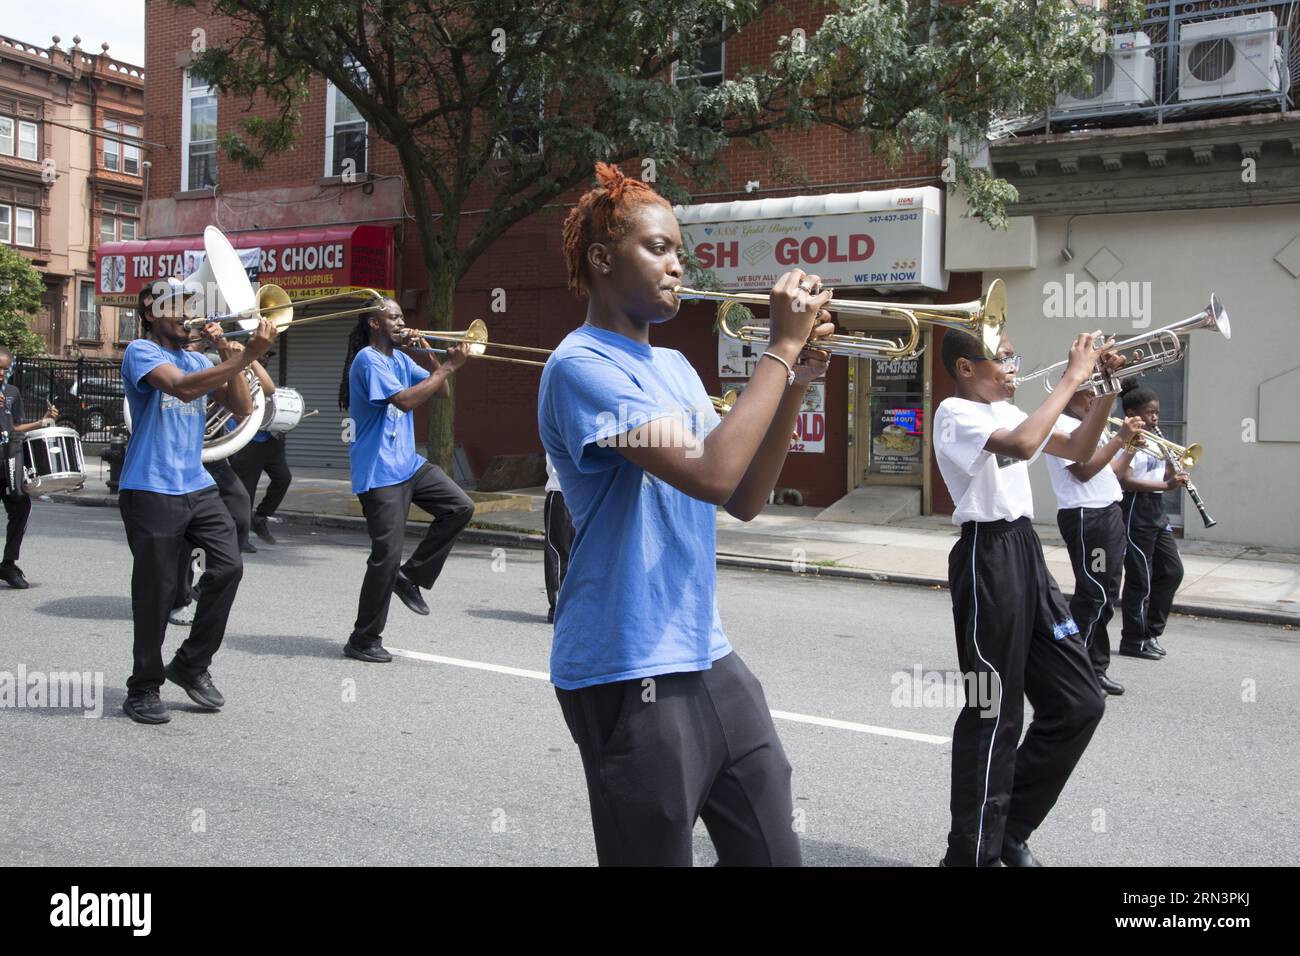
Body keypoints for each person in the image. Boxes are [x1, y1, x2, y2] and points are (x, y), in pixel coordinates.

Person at [538, 162, 832, 866]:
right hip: (623, 665)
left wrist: (797, 380)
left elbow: (745, 497)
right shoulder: (579, 368)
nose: (677, 265)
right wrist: (781, 348)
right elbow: (710, 470)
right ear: (603, 259)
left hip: (709, 654)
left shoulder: (674, 368)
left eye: (679, 251)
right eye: (658, 248)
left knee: (772, 851)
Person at [932, 328, 1116, 867]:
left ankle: (1009, 830)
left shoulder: (1010, 412)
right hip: (985, 556)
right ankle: (971, 855)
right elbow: (1023, 446)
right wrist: (1072, 377)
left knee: (1080, 701)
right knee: (994, 711)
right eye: (1004, 358)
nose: (1014, 368)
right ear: (967, 368)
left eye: (1015, 357)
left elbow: (1080, 452)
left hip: (1024, 550)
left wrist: (1104, 387)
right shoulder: (954, 412)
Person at [118, 279, 278, 724]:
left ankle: (191, 663)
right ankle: (143, 687)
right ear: (150, 313)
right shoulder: (142, 352)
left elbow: (244, 408)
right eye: (175, 305)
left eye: (189, 302)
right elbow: (184, 389)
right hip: (150, 488)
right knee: (158, 592)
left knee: (229, 567)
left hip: (196, 483)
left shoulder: (197, 357)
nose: (186, 311)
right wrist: (246, 356)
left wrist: (233, 354)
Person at [337, 297, 475, 663]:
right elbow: (404, 401)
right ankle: (363, 639)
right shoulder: (368, 359)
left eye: (401, 317)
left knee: (460, 507)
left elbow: (440, 391)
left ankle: (410, 577)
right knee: (386, 556)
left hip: (408, 465)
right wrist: (447, 366)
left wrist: (432, 356)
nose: (401, 323)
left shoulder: (400, 359)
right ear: (374, 323)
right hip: (379, 473)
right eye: (393, 317)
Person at [1044, 390, 1147, 695]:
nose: (1094, 402)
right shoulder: (1059, 425)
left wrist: (1128, 445)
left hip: (1107, 512)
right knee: (1094, 594)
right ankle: (1075, 670)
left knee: (1106, 594)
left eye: (1098, 396)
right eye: (1088, 395)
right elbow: (1084, 471)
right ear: (1070, 393)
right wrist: (1119, 438)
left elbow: (1111, 473)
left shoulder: (1092, 425)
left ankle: (1095, 668)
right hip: (1087, 517)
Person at [169, 339, 276, 627]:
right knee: (186, 536)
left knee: (241, 511)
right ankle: (178, 600)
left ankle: (207, 582)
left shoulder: (216, 360)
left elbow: (266, 390)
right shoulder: (182, 363)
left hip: (212, 457)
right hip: (183, 454)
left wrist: (247, 355)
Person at [1116, 379, 1186, 661]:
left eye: (1156, 412)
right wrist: (1166, 487)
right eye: (1149, 412)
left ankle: (1151, 632)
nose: (1155, 417)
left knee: (1171, 571)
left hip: (1156, 510)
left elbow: (1162, 477)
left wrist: (1174, 475)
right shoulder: (1125, 440)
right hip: (1134, 509)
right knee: (1139, 579)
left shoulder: (1157, 441)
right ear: (1132, 413)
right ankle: (1133, 639)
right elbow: (1126, 480)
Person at [0, 346, 57, 589]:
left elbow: (14, 428)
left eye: (4, 368)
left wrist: (42, 420)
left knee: (21, 507)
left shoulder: (11, 393)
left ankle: (8, 564)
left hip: (8, 459)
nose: (1, 373)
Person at [229, 405, 293, 546]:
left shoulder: (261, 386)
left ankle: (260, 518)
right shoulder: (235, 383)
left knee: (283, 478)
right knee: (246, 491)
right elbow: (230, 410)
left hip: (267, 439)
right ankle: (241, 538)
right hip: (245, 439)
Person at [542, 453, 574, 624]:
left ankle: (575, 604)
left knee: (579, 553)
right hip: (561, 492)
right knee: (559, 553)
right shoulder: (560, 427)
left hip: (582, 495)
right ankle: (559, 607)